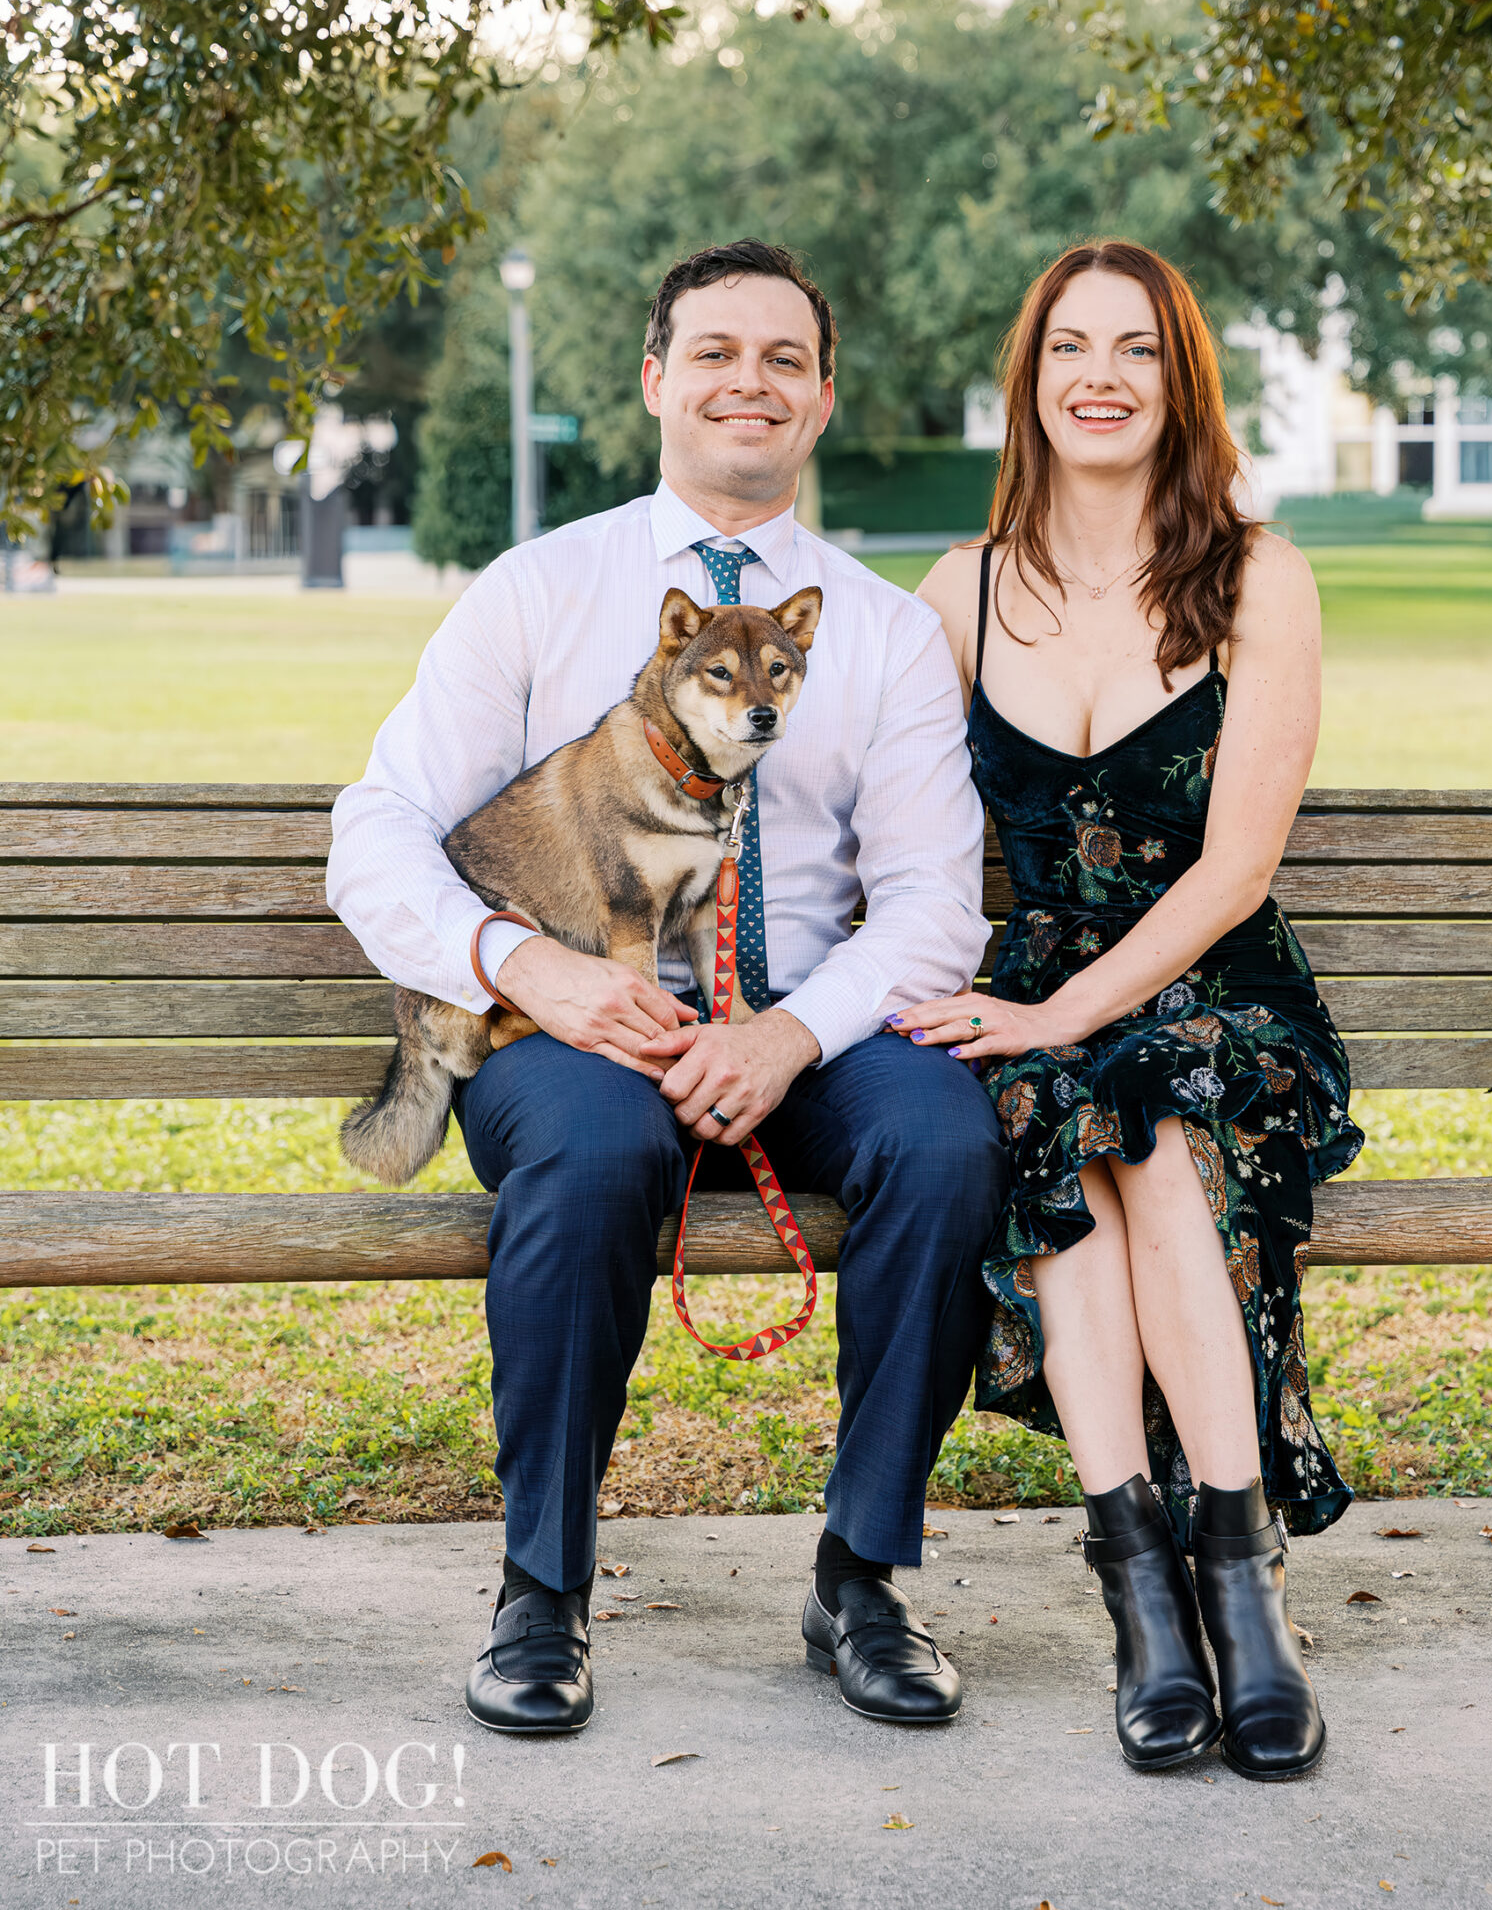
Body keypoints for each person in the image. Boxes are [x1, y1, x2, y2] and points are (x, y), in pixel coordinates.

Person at [327, 239, 1004, 1737]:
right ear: (656, 380)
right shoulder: (537, 592)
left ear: (823, 401)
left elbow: (932, 904)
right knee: (591, 1148)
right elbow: (375, 832)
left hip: (807, 1024)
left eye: (782, 360)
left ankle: (864, 1575)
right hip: (580, 1018)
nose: (745, 383)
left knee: (945, 1139)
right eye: (714, 353)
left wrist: (786, 1035)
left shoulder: (882, 633)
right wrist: (530, 969)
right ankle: (542, 1591)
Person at [897, 239, 1363, 1784]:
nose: (1102, 377)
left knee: (1148, 1121)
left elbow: (1236, 869)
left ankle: (1240, 1575)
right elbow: (879, 833)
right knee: (1055, 1131)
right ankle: (1141, 1583)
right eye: (1070, 349)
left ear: (1182, 382)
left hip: (1215, 988)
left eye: (1137, 351)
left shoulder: (1256, 575)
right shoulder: (956, 593)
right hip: (1032, 990)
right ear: (1030, 381)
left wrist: (1061, 1015)